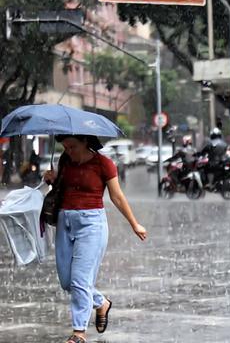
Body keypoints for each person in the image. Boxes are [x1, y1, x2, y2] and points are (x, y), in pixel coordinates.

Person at [43, 134, 147, 343]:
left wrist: (134, 223)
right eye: (65, 147)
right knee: (66, 281)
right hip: (65, 221)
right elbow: (60, 189)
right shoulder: (64, 160)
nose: (69, 151)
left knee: (80, 280)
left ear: (85, 142)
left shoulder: (104, 164)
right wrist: (52, 180)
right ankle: (101, 302)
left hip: (91, 224)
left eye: (72, 146)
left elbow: (117, 196)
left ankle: (79, 333)